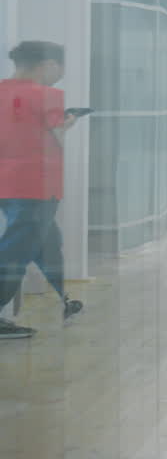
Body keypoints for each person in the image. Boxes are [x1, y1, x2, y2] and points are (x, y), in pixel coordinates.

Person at [0, 41, 85, 339]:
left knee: (48, 243)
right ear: (48, 64)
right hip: (36, 185)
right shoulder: (48, 95)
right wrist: (69, 120)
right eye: (60, 69)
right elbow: (56, 128)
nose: (60, 76)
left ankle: (65, 299)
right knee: (16, 251)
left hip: (6, 184)